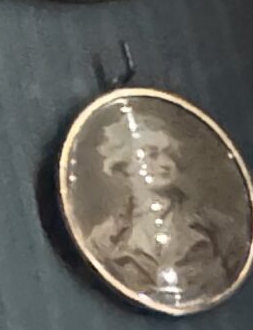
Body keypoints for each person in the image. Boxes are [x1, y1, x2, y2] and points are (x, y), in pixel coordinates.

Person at [83, 116, 231, 309]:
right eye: (152, 155)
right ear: (124, 164)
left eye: (170, 155)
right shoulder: (104, 240)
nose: (166, 163)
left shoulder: (214, 228)